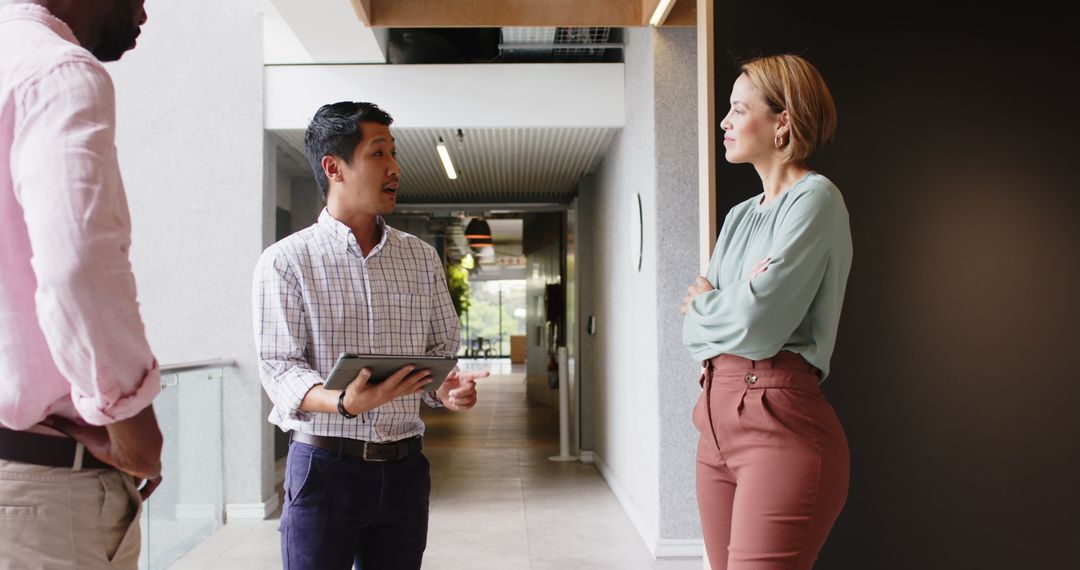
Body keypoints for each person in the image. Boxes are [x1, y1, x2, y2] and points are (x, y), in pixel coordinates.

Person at [253, 101, 487, 570]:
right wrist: (343, 403)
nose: (394, 168)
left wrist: (447, 387)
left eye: (393, 154)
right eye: (379, 153)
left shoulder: (420, 258)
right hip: (324, 470)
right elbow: (280, 368)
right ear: (333, 167)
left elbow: (439, 352)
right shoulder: (286, 261)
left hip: (404, 472)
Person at [0, 1, 164, 568]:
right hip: (39, 491)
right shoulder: (57, 70)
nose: (145, 8)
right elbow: (79, 265)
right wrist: (133, 426)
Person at [681, 54, 853, 570]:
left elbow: (759, 324)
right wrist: (721, 306)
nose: (724, 122)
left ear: (783, 121)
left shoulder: (815, 198)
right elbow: (694, 333)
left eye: (738, 109)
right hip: (713, 426)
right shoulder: (738, 217)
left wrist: (712, 302)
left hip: (779, 422)